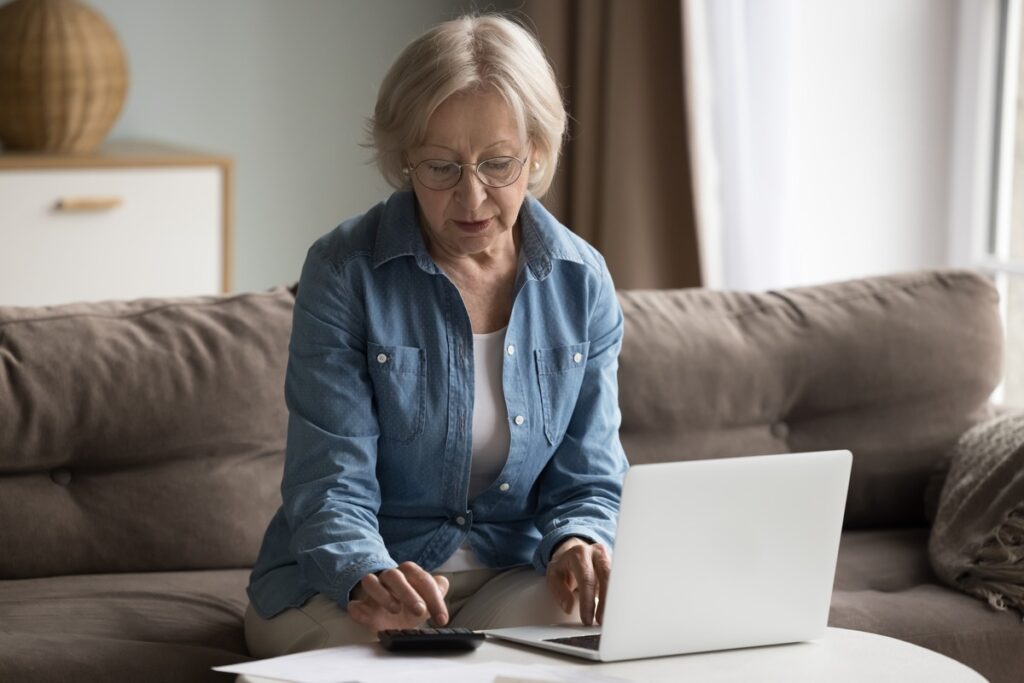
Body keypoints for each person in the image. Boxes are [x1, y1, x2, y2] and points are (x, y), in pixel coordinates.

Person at [244, 14, 628, 658]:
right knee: (389, 665)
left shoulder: (580, 280)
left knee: (593, 649)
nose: (472, 197)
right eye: (441, 167)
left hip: (511, 570)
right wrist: (366, 573)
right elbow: (329, 481)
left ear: (536, 152)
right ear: (404, 161)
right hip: (353, 582)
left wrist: (577, 544)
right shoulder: (344, 271)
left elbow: (590, 477)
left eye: (498, 164)